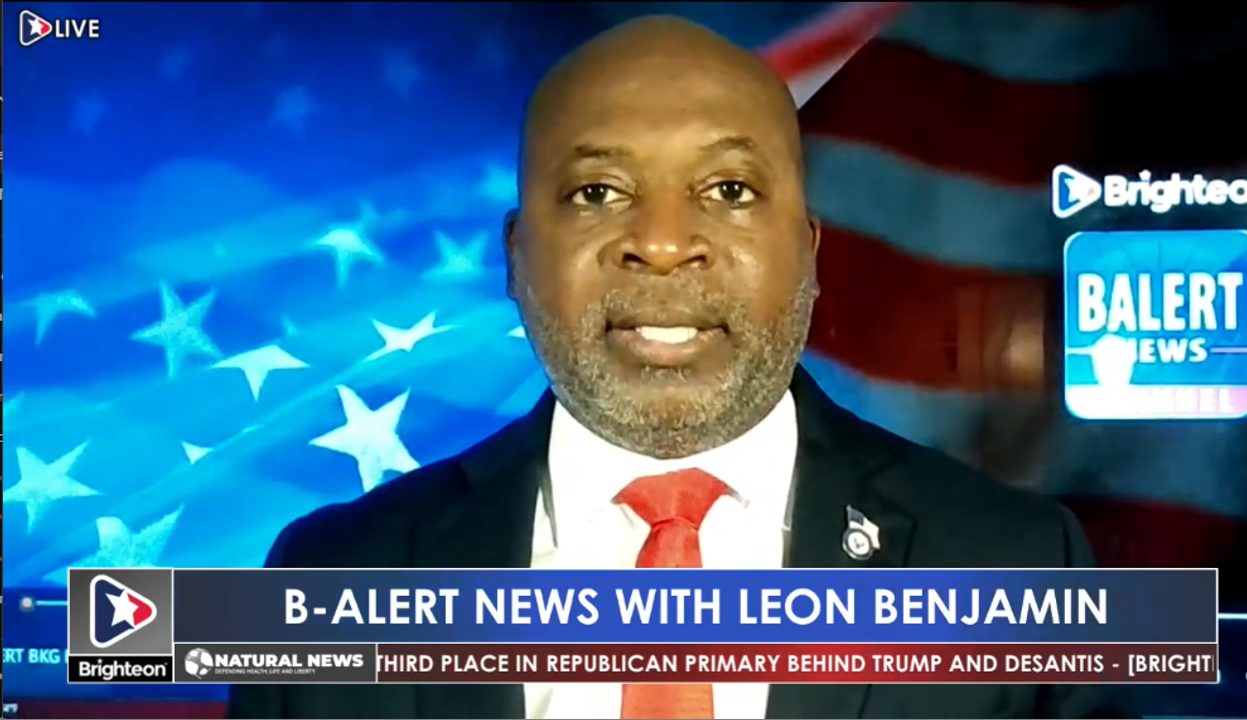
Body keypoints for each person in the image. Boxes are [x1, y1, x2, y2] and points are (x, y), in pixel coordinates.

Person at [228, 16, 1112, 720]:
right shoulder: (333, 577)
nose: (660, 243)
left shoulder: (1020, 567)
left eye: (729, 191)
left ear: (808, 252)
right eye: (597, 193)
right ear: (517, 256)